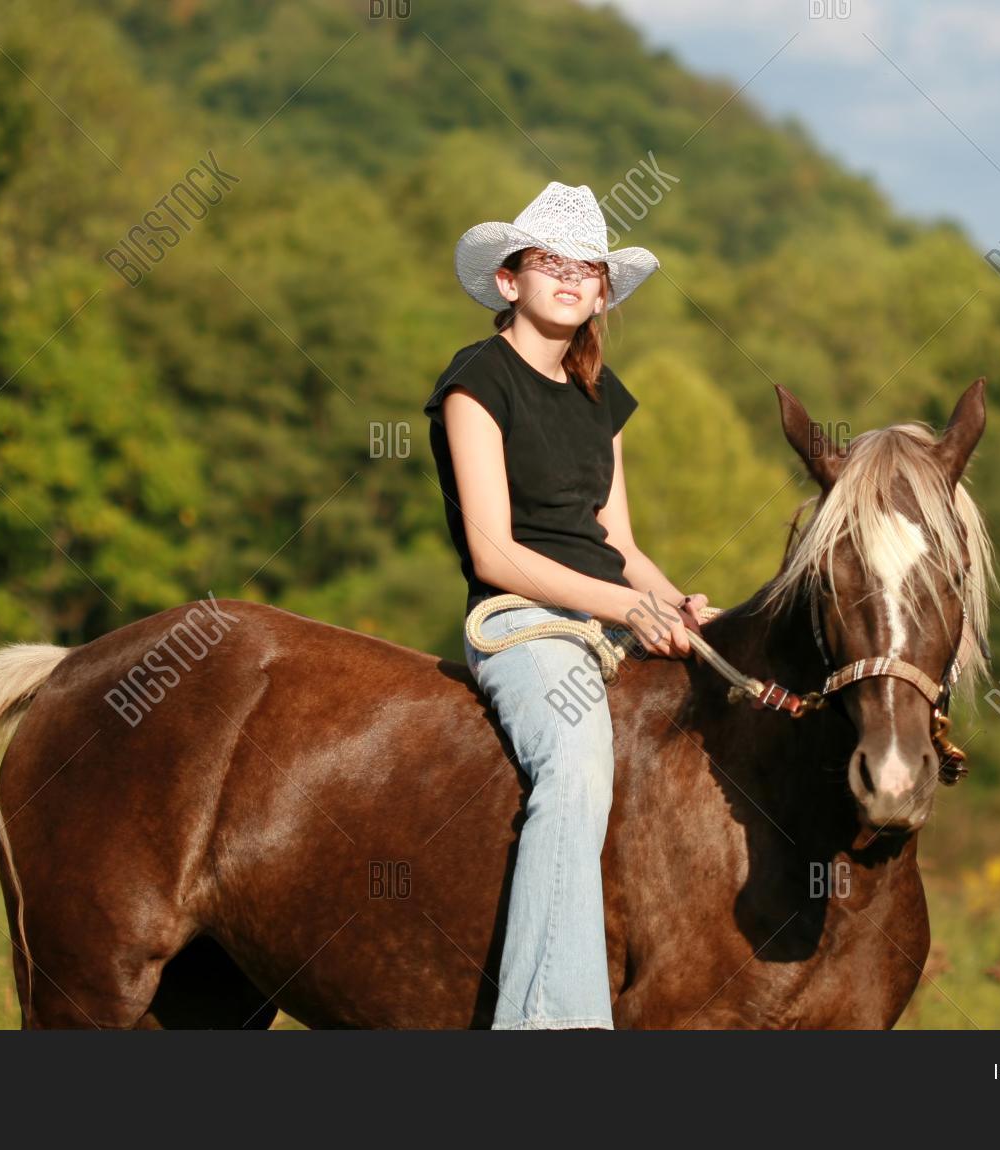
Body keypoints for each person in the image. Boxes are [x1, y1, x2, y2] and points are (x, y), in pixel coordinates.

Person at [422, 181, 708, 1030]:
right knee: (578, 766)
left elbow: (620, 542)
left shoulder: (600, 395)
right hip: (524, 622)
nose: (572, 279)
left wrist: (687, 610)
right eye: (552, 263)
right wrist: (626, 607)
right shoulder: (477, 380)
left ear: (601, 295)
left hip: (610, 617)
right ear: (508, 281)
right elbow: (495, 553)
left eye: (588, 269)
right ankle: (549, 1028)